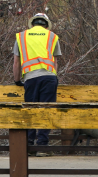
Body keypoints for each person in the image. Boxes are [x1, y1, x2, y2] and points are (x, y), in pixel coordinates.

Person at [13, 13, 61, 157]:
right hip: (49, 77)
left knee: (31, 110)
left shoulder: (21, 37)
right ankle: (42, 146)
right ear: (46, 25)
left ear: (32, 24)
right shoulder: (52, 36)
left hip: (30, 79)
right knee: (46, 111)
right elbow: (55, 62)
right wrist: (53, 77)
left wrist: (17, 81)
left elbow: (16, 62)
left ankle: (28, 145)